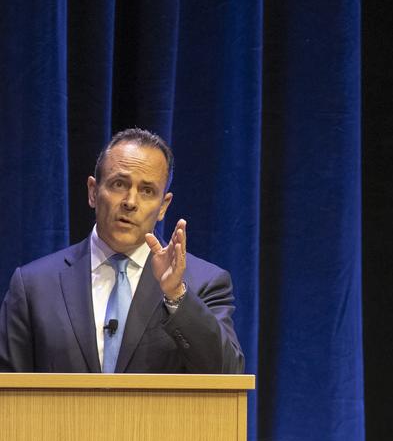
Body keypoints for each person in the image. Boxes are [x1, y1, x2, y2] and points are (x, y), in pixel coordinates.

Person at [0, 128, 244, 373]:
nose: (130, 202)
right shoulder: (33, 286)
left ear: (163, 206)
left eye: (147, 191)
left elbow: (228, 374)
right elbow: (7, 394)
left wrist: (175, 295)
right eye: (119, 184)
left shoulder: (203, 283)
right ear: (93, 191)